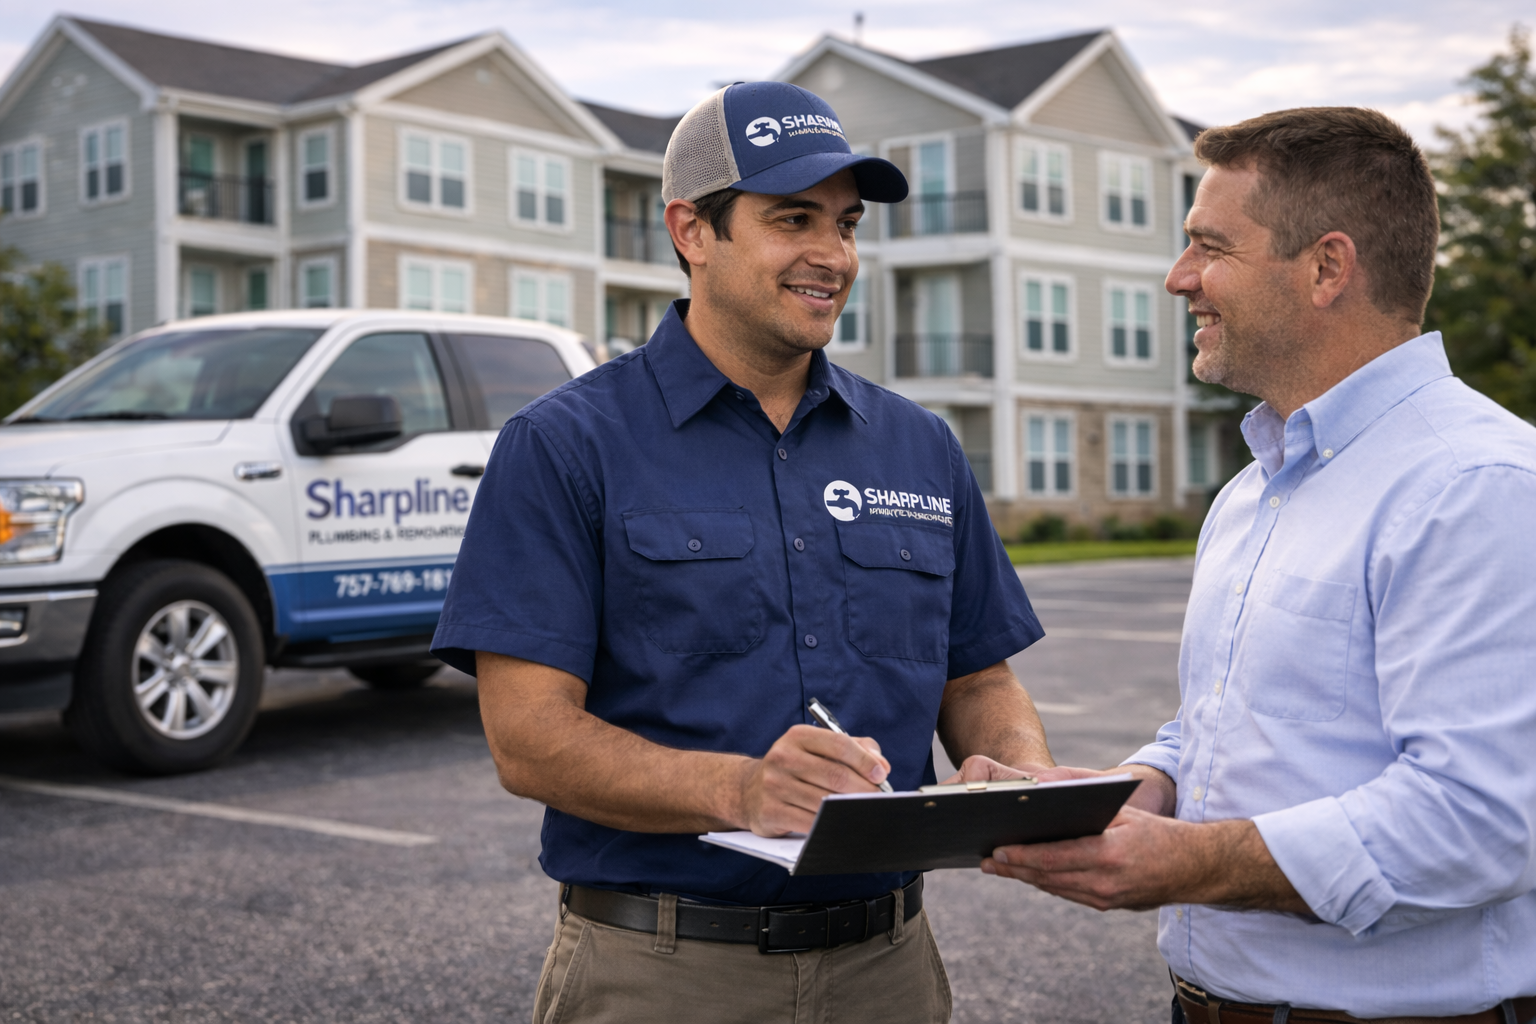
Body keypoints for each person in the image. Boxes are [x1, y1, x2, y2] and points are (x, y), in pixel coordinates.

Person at [430, 81, 1055, 1024]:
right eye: (792, 218)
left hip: (890, 969)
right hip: (661, 972)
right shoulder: (566, 445)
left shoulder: (919, 445)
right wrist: (743, 789)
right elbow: (528, 740)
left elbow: (978, 680)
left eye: (846, 225)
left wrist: (1015, 772)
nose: (832, 255)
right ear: (692, 230)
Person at [972, 106, 1536, 1023]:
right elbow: (1236, 723)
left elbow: (1481, 824)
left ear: (1327, 268)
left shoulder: (1477, 486)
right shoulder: (1253, 491)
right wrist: (1131, 791)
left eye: (1210, 247)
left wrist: (1189, 862)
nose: (1176, 277)